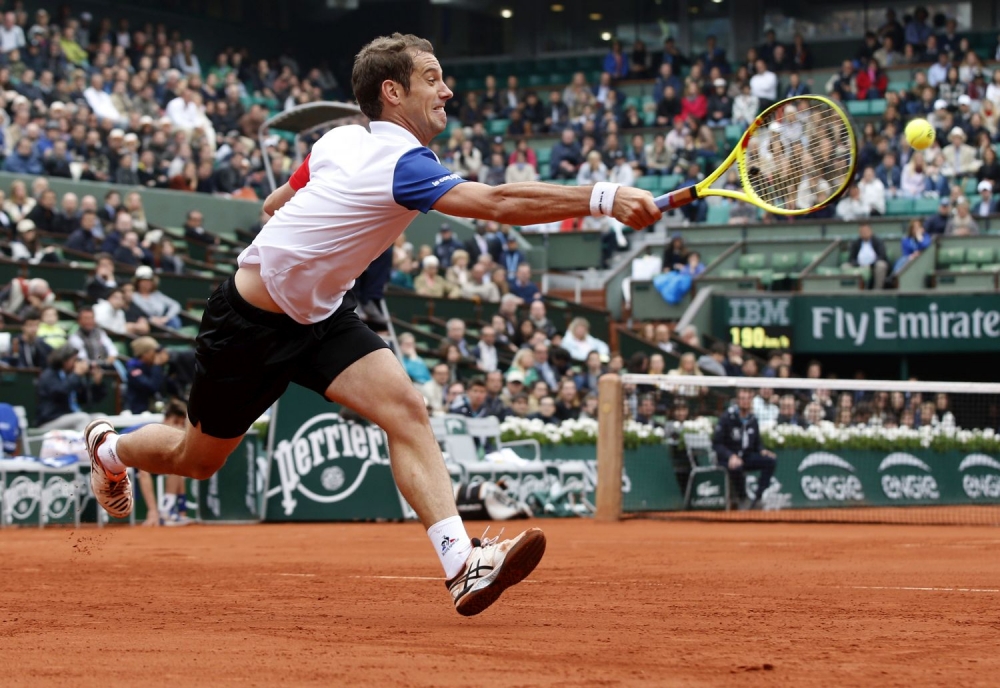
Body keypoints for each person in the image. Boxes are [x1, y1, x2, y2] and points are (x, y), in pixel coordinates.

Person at [83, 33, 660, 616]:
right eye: (432, 78)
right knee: (197, 460)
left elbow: (272, 203)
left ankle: (462, 564)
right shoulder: (402, 164)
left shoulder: (339, 141)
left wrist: (313, 238)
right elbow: (500, 204)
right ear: (393, 92)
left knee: (405, 410)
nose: (447, 89)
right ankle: (110, 449)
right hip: (248, 324)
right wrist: (603, 197)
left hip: (323, 318)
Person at [712, 387, 777, 510]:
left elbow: (757, 442)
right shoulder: (727, 418)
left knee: (770, 461)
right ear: (737, 400)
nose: (745, 401)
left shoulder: (753, 419)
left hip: (746, 457)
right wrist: (730, 456)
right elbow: (717, 444)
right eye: (742, 399)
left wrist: (762, 450)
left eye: (747, 399)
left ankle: (758, 498)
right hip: (727, 459)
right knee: (737, 466)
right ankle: (743, 498)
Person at [37, 345, 105, 432]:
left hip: (72, 417)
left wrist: (97, 384)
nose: (76, 363)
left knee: (100, 418)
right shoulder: (49, 375)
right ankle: (82, 445)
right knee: (82, 418)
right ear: (64, 360)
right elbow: (59, 393)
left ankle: (99, 445)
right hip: (50, 420)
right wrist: (76, 375)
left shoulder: (73, 376)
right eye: (74, 360)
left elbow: (88, 401)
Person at [846, 223, 888, 290]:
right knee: (845, 266)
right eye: (862, 231)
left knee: (881, 265)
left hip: (873, 265)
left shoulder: (878, 241)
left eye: (866, 231)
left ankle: (877, 290)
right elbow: (851, 259)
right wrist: (859, 264)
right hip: (859, 265)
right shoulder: (855, 242)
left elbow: (882, 256)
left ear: (871, 231)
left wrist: (870, 265)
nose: (864, 233)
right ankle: (851, 290)